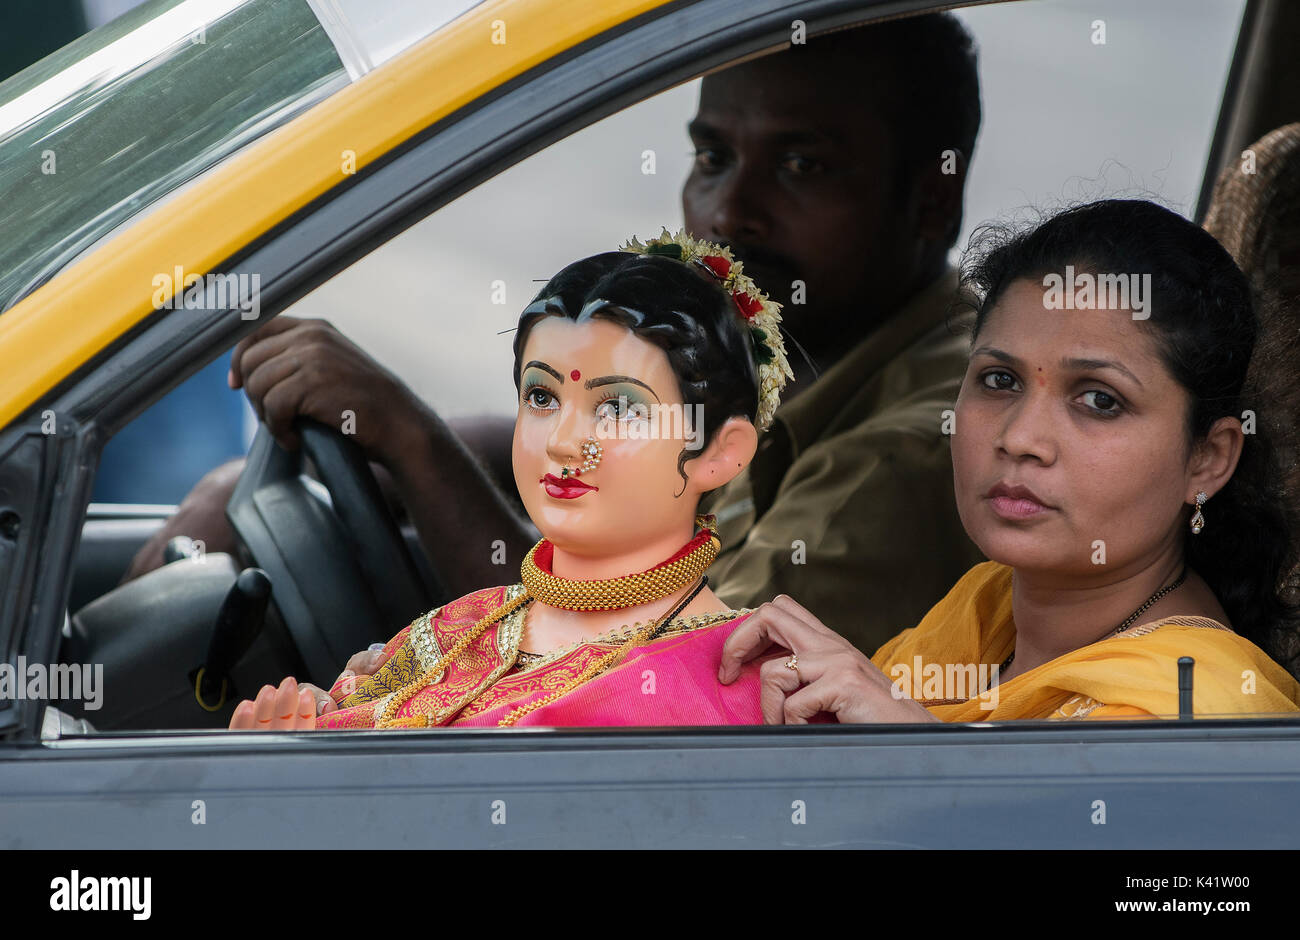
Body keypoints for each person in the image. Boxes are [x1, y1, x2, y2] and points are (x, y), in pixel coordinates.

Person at [124, 13, 986, 657]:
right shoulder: (820, 345)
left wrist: (415, 445)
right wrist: (380, 448)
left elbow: (642, 671)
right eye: (714, 157)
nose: (729, 211)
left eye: (803, 166)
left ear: (929, 204)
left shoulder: (907, 460)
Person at [717, 200, 1300, 723]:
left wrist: (909, 748)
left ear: (1208, 459)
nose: (1021, 437)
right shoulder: (982, 614)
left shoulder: (1197, 717)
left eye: (1100, 399)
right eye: (1000, 380)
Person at [229, 230, 798, 729]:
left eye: (619, 408)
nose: (563, 441)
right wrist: (287, 756)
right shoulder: (462, 625)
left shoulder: (743, 689)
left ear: (720, 453)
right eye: (543, 397)